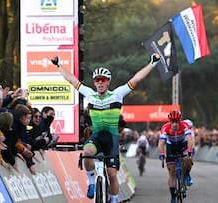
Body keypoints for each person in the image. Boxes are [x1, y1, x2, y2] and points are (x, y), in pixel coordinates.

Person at [51, 52, 160, 203]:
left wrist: (152, 63)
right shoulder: (90, 94)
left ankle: (114, 200)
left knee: (112, 175)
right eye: (97, 80)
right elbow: (71, 79)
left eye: (103, 80)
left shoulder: (117, 94)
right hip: (97, 137)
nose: (100, 83)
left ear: (108, 82)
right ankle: (91, 183)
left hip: (112, 139)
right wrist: (58, 65)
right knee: (87, 152)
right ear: (95, 83)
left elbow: (136, 78)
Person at [158, 110, 193, 203]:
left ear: (180, 121)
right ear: (169, 121)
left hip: (183, 145)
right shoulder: (165, 128)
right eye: (172, 122)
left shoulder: (184, 125)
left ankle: (187, 174)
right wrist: (161, 153)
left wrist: (189, 150)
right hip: (171, 147)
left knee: (188, 159)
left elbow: (190, 139)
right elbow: (161, 143)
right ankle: (173, 196)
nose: (174, 124)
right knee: (171, 172)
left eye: (177, 121)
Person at [183, 119, 195, 186]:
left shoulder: (191, 132)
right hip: (180, 145)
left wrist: (191, 151)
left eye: (190, 128)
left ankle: (187, 174)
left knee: (188, 160)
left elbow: (192, 142)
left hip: (187, 147)